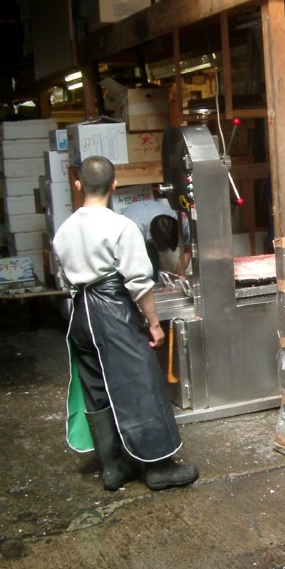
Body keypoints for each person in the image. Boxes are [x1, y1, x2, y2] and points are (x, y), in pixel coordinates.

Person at [52, 156, 198, 492]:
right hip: (113, 312)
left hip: (80, 315)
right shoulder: (119, 227)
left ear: (78, 185)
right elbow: (138, 283)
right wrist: (154, 324)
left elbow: (66, 277)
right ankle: (158, 467)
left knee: (96, 389)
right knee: (139, 384)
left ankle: (113, 468)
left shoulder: (65, 230)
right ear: (114, 185)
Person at [121, 199, 191, 281]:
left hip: (148, 216)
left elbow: (186, 250)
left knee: (154, 266)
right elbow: (130, 263)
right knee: (144, 268)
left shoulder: (181, 223)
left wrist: (177, 275)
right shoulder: (132, 228)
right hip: (133, 223)